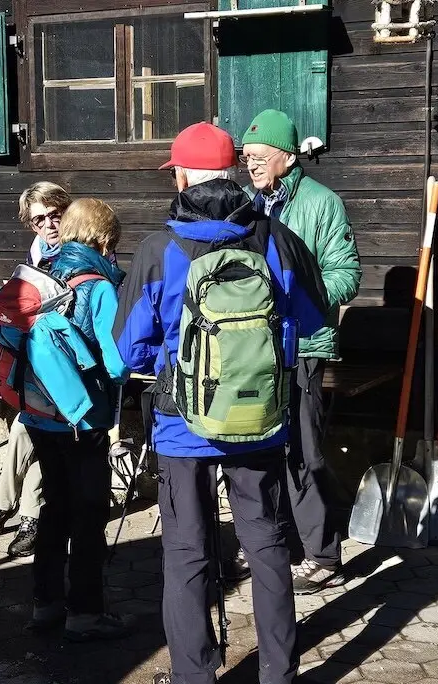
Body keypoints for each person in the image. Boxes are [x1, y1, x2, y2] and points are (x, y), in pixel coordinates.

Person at [115, 122, 327, 684]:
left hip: (181, 424)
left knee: (186, 551)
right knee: (266, 543)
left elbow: (126, 349)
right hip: (260, 420)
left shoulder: (159, 248)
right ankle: (278, 674)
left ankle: (195, 675)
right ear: (232, 172)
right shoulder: (277, 238)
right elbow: (313, 318)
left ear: (182, 174)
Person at [0, 198, 131, 641]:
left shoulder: (36, 275)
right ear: (103, 239)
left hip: (38, 413)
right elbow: (116, 364)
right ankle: (86, 614)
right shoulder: (98, 285)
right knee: (88, 515)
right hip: (84, 417)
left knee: (52, 510)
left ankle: (45, 606)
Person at [240, 109, 361, 594]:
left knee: (305, 452)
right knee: (262, 446)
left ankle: (323, 555)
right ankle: (276, 546)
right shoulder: (249, 205)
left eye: (260, 157)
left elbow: (347, 275)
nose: (251, 166)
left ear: (287, 158)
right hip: (256, 347)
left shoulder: (321, 204)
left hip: (305, 344)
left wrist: (295, 292)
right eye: (247, 158)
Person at [0, 182, 73, 557]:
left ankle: (18, 511)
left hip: (68, 368)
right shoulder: (36, 256)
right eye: (38, 220)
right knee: (27, 430)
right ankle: (18, 511)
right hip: (35, 362)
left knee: (31, 432)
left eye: (53, 215)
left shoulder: (83, 251)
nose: (48, 225)